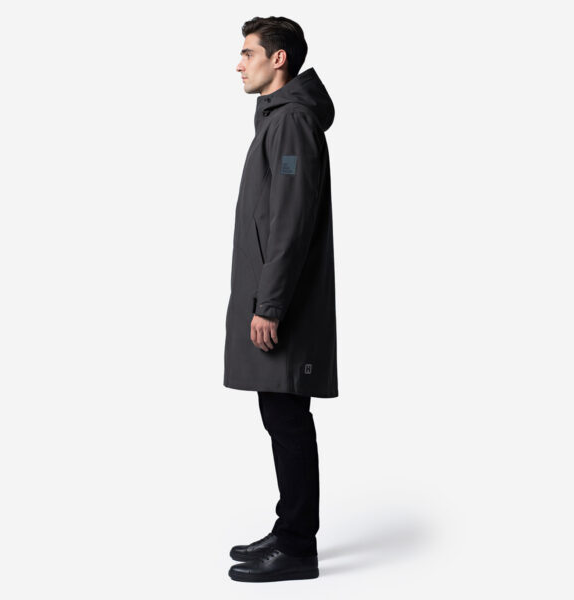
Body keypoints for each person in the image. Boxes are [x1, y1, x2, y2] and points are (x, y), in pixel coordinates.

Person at [224, 15, 338, 583]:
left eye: (248, 53)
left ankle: (297, 545)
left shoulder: (290, 122)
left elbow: (290, 221)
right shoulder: (279, 118)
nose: (239, 64)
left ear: (279, 59)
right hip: (276, 297)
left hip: (282, 305)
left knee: (288, 419)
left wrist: (268, 306)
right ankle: (289, 528)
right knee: (281, 415)